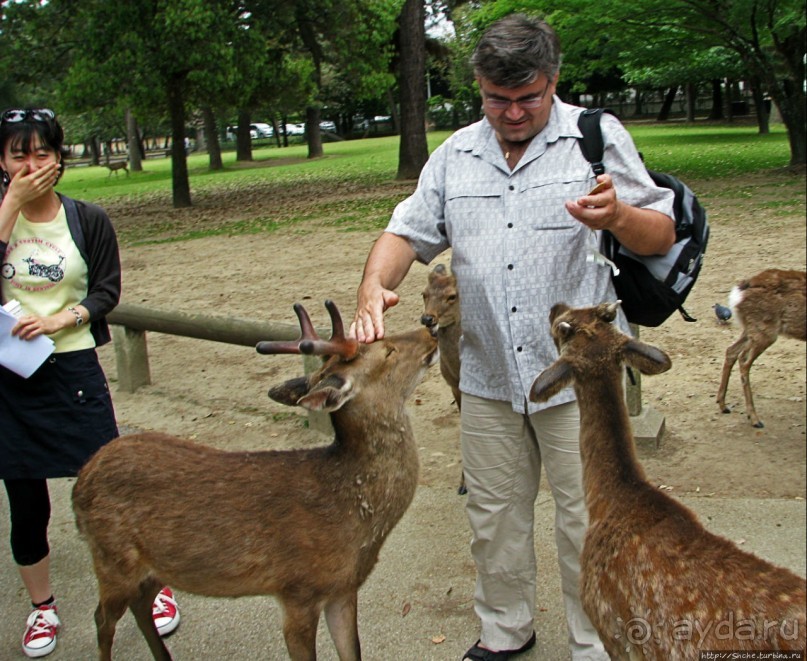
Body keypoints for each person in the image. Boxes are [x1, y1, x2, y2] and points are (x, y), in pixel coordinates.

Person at [351, 14, 675, 661]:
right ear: (478, 87)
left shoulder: (593, 138)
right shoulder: (456, 155)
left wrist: (618, 215)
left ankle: (593, 641)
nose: (512, 112)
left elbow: (659, 234)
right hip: (489, 374)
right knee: (493, 516)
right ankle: (506, 629)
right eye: (496, 99)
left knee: (588, 518)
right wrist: (373, 284)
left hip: (578, 381)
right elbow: (405, 233)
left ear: (551, 81)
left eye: (526, 97)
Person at [0, 108, 180, 658]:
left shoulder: (87, 219)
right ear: (1, 161)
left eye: (42, 154)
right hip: (8, 377)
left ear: (60, 158)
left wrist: (62, 318)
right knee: (25, 501)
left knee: (117, 487)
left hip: (73, 371)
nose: (31, 165)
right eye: (17, 154)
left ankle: (155, 585)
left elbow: (107, 292)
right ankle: (42, 610)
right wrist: (7, 207)